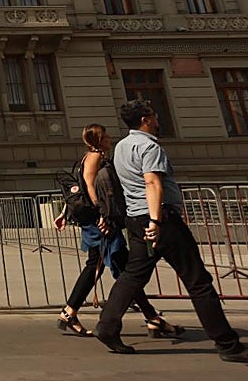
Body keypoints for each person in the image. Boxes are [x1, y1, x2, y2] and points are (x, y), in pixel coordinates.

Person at [93, 100, 248, 364]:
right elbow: (152, 182)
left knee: (132, 275)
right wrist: (156, 220)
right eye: (153, 115)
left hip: (135, 218)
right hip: (161, 220)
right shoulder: (149, 146)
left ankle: (107, 326)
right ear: (145, 119)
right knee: (198, 282)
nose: (157, 119)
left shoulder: (121, 147)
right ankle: (228, 345)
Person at [53, 125, 179, 339]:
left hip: (99, 221)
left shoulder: (91, 157)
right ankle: (150, 318)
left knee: (114, 268)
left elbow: (81, 187)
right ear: (99, 139)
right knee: (123, 271)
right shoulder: (94, 158)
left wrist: (64, 212)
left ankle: (71, 311)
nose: (110, 139)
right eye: (106, 136)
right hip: (100, 222)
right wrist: (103, 214)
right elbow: (90, 189)